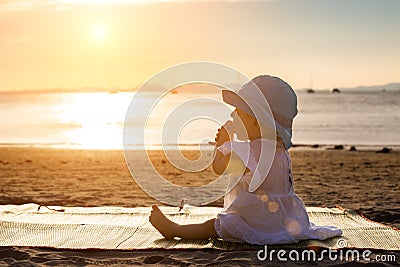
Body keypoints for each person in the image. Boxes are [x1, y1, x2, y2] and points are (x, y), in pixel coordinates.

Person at [149, 75, 342, 244]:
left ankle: (175, 230)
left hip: (261, 218)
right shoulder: (280, 150)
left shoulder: (250, 151)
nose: (233, 115)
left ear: (256, 120)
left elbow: (219, 168)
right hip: (288, 217)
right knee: (226, 221)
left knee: (218, 225)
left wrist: (222, 144)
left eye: (239, 112)